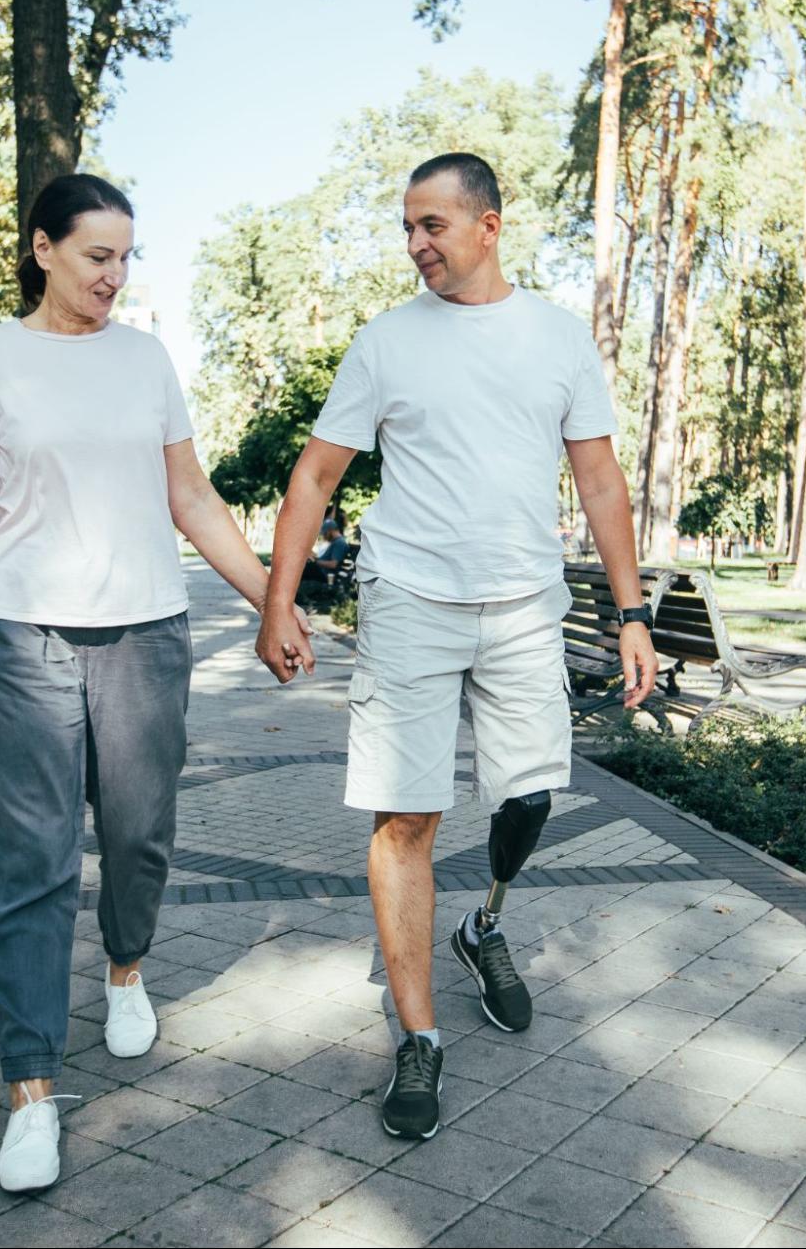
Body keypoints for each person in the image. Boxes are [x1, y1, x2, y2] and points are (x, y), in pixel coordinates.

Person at [256, 152, 658, 1141]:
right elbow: (313, 478)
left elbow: (600, 483)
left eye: (432, 224)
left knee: (527, 796)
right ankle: (419, 1037)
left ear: (488, 224)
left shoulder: (558, 339)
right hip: (408, 602)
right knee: (408, 820)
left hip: (523, 605)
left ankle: (485, 925)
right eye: (406, 226)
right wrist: (277, 600)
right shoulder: (386, 342)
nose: (416, 244)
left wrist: (630, 610)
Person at [0, 173, 312, 1195]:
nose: (115, 274)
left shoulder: (144, 358)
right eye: (97, 255)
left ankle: (126, 966)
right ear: (42, 248)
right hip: (25, 634)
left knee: (140, 833)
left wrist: (272, 598)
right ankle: (31, 1088)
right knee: (33, 863)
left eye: (126, 257)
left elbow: (190, 493)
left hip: (146, 629)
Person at [296, 519, 351, 604]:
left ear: (330, 531)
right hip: (323, 572)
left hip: (327, 576)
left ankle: (296, 595)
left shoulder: (339, 543)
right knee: (302, 564)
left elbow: (333, 564)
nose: (324, 536)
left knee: (303, 566)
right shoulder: (336, 542)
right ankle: (298, 595)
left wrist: (315, 562)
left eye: (325, 533)